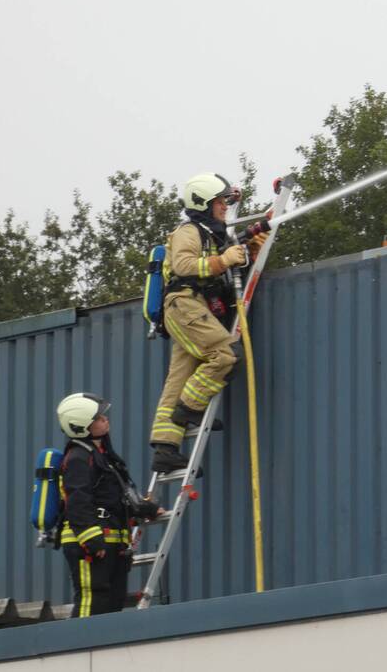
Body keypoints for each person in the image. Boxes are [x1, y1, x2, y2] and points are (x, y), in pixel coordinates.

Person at [149, 172, 268, 473]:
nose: (224, 207)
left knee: (178, 378)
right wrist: (225, 259)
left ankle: (165, 449)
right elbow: (185, 265)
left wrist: (250, 249)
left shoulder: (212, 235)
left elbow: (227, 269)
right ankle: (190, 408)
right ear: (204, 203)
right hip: (185, 304)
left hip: (190, 308)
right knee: (226, 355)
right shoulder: (189, 231)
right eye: (219, 201)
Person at [56, 393, 161, 617]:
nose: (105, 419)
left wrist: (147, 508)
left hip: (113, 542)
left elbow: (115, 496)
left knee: (113, 602)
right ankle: (82, 647)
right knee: (92, 599)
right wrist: (91, 538)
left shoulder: (103, 456)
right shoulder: (78, 458)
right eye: (98, 417)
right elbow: (77, 499)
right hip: (88, 544)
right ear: (81, 426)